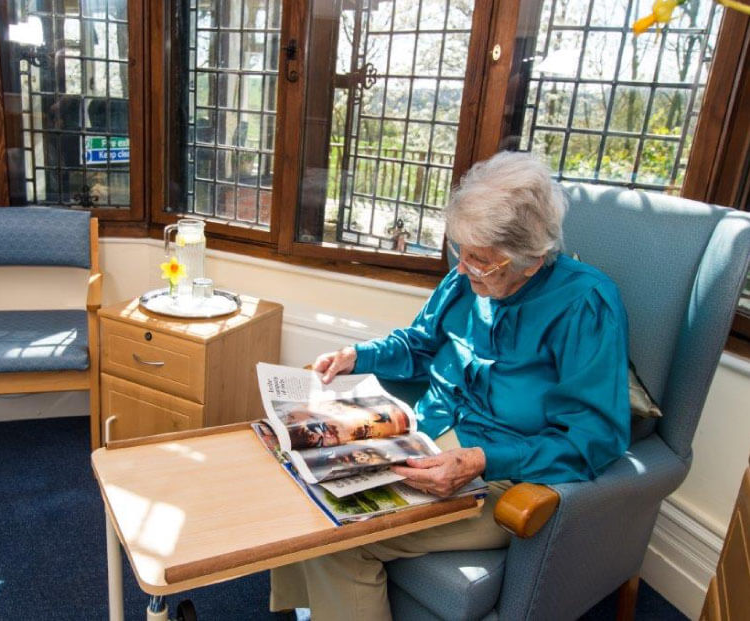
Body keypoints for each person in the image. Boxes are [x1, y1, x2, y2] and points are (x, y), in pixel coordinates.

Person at [270, 151, 631, 620]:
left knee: (341, 537)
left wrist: (483, 458)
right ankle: (313, 610)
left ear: (532, 259)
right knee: (296, 471)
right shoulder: (469, 277)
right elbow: (421, 345)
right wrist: (358, 356)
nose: (461, 270)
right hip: (423, 432)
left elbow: (595, 437)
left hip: (501, 474)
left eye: (479, 261)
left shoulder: (585, 304)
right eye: (460, 252)